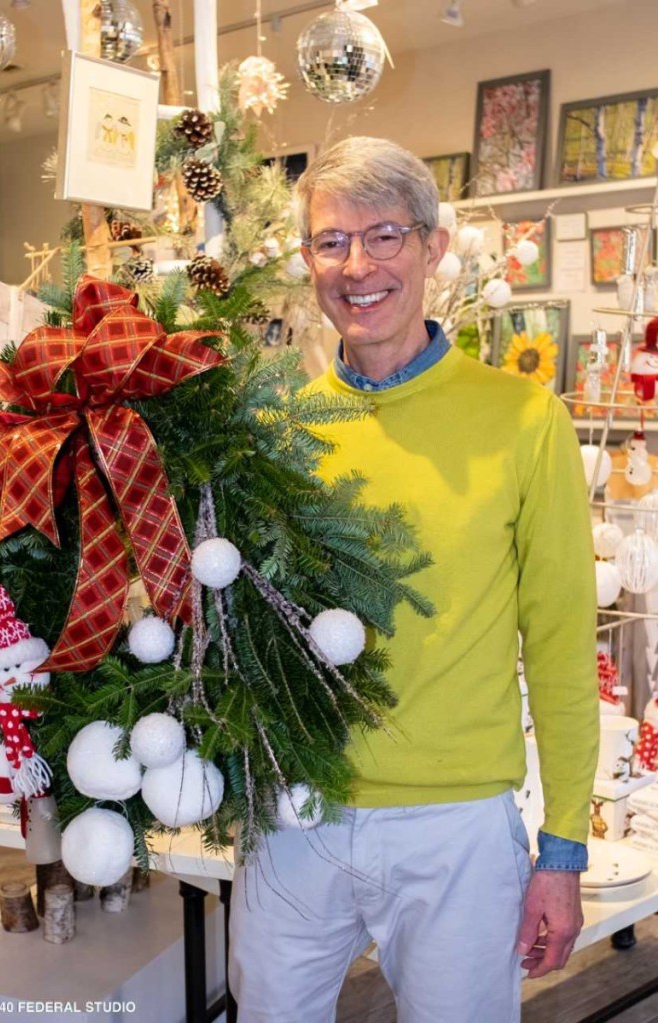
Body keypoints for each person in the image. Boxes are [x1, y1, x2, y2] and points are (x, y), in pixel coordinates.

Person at [229, 136, 599, 1023]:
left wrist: (562, 850)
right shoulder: (276, 422)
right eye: (330, 241)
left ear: (433, 249)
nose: (356, 266)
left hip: (456, 825)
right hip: (292, 812)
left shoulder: (521, 418)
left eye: (384, 235)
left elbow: (558, 641)